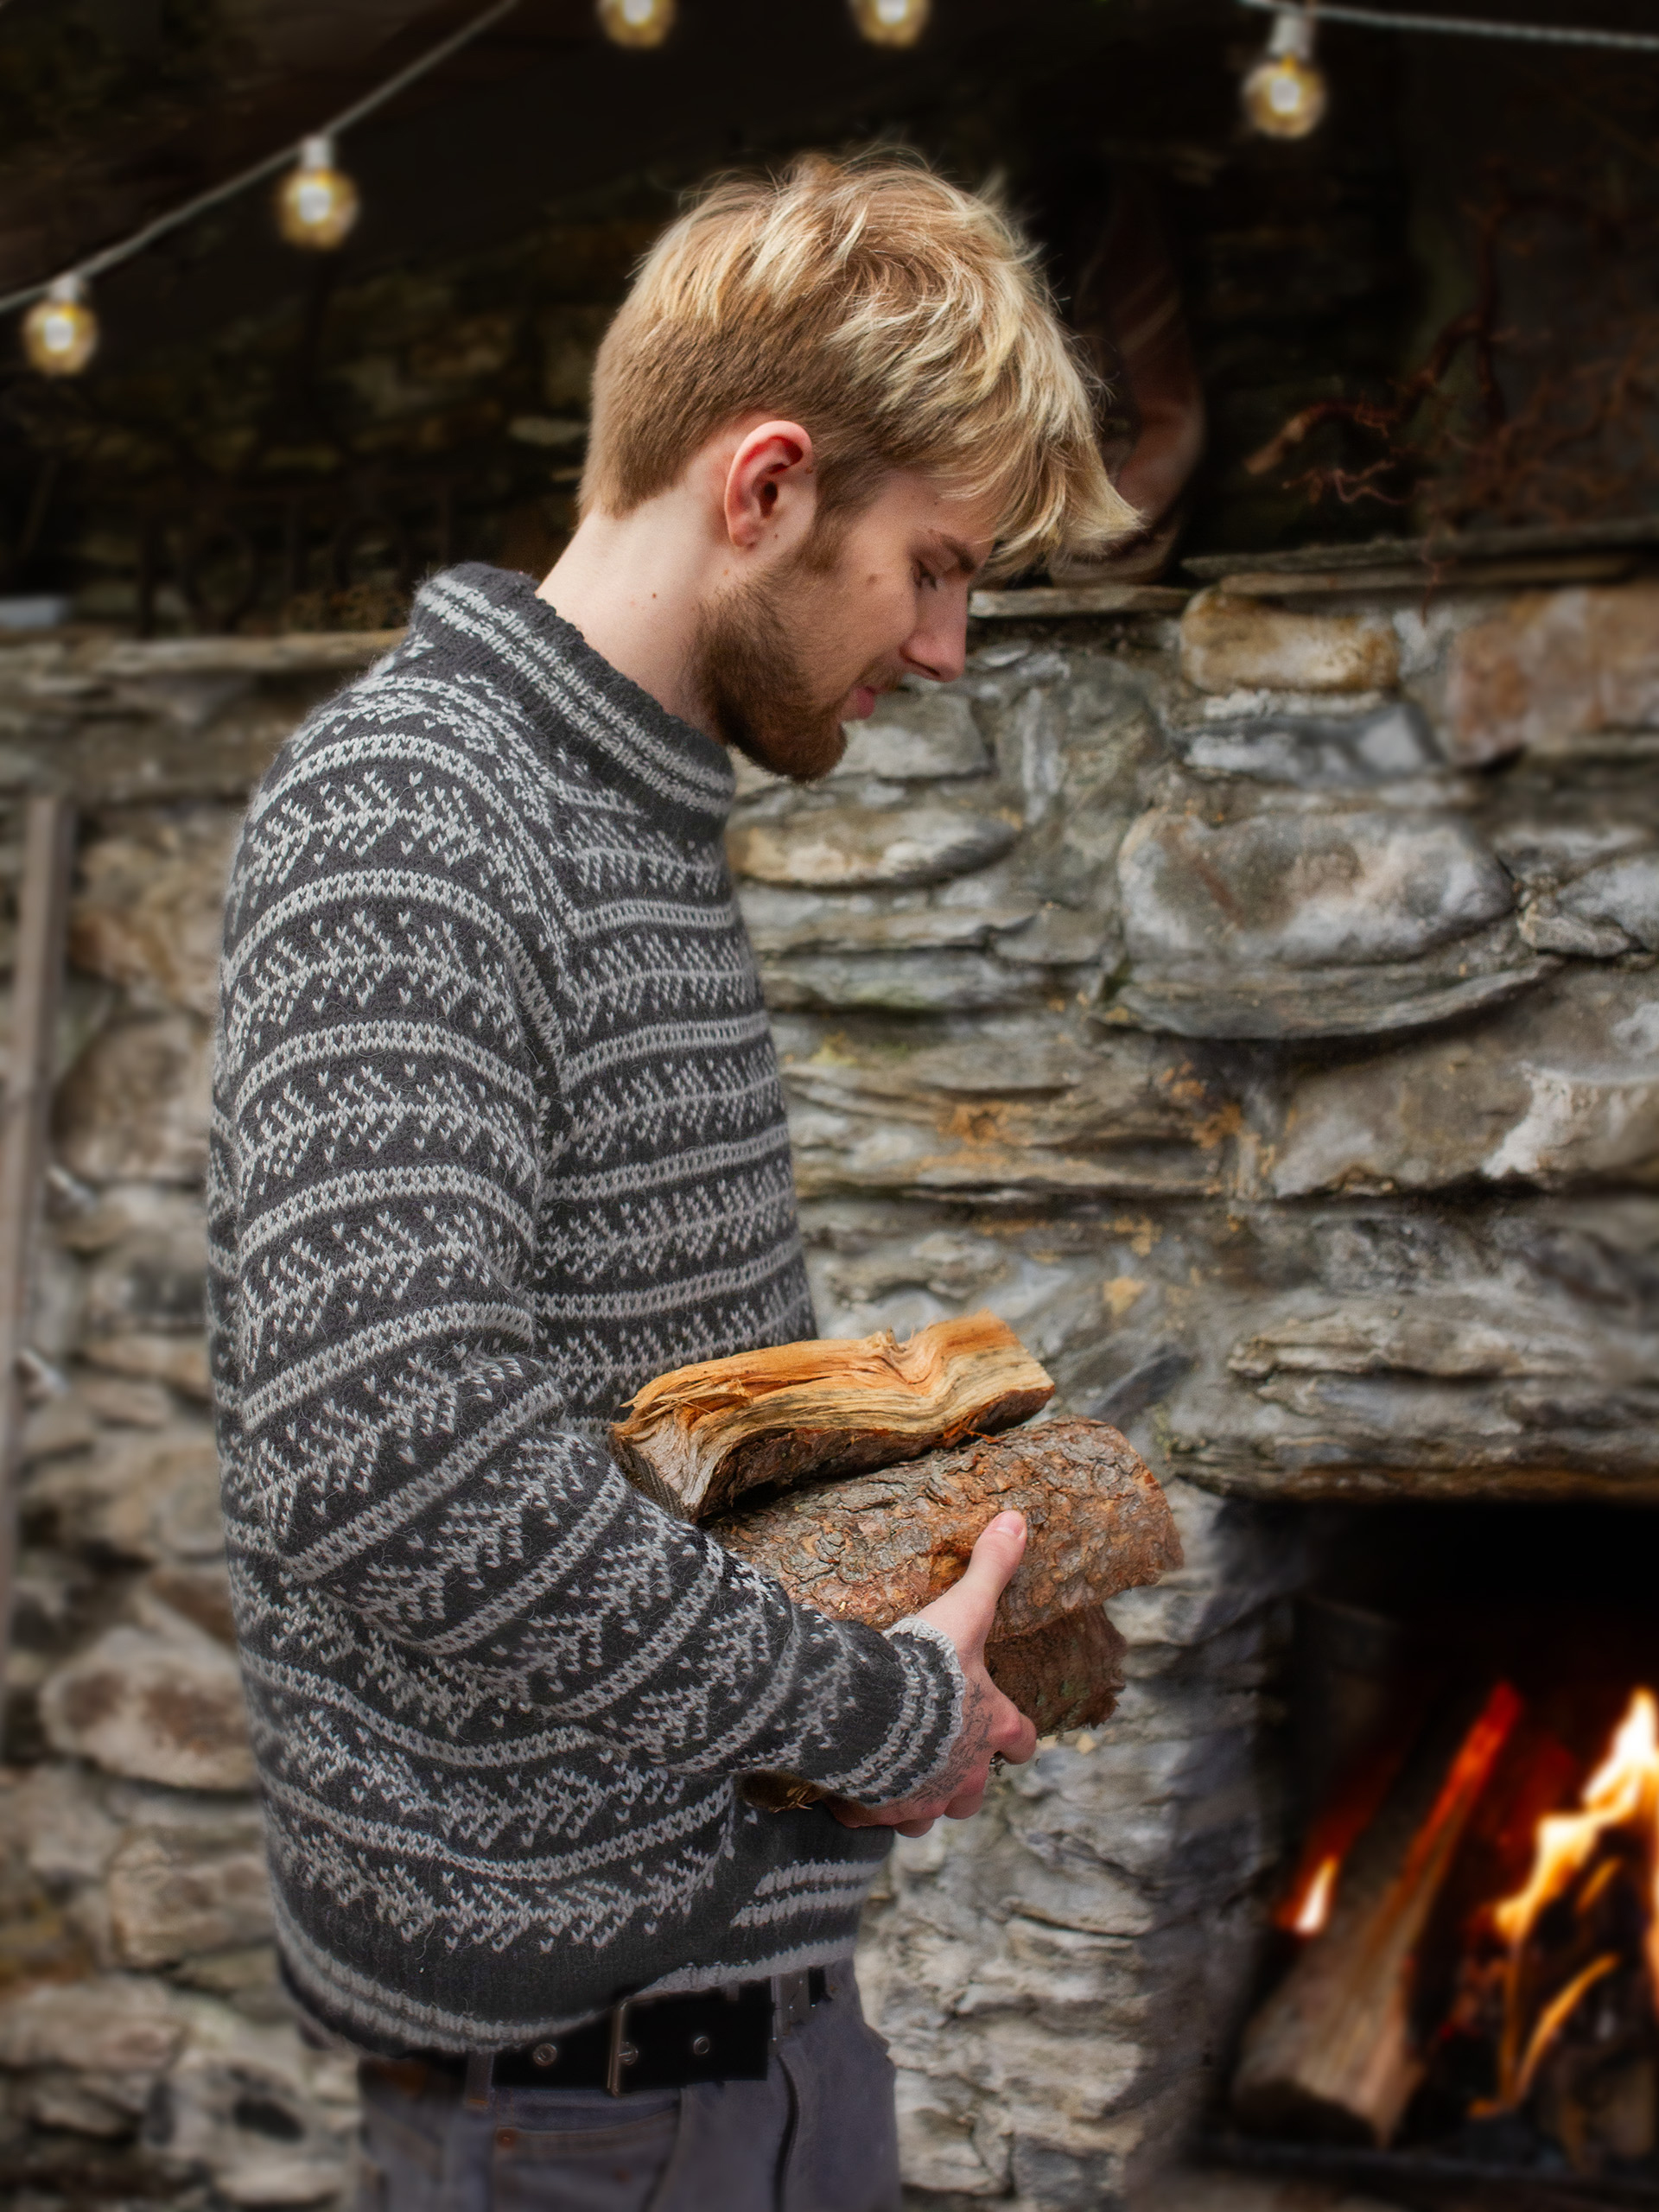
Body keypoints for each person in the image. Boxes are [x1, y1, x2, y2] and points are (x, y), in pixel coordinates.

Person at [208, 150, 1135, 2212]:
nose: (952, 645)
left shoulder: (616, 807)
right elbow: (390, 1449)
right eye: (936, 565)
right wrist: (868, 1704)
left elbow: (609, 1426)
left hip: (738, 2044)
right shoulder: (418, 811)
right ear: (768, 483)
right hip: (588, 2100)